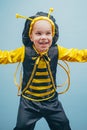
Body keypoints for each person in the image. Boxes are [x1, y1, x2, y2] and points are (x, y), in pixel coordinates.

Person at [0, 8, 87, 130]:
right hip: (28, 104)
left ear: (53, 34)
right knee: (22, 127)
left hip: (51, 102)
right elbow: (5, 56)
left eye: (48, 33)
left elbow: (76, 54)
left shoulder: (57, 51)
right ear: (31, 36)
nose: (44, 37)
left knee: (63, 125)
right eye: (38, 33)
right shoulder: (24, 52)